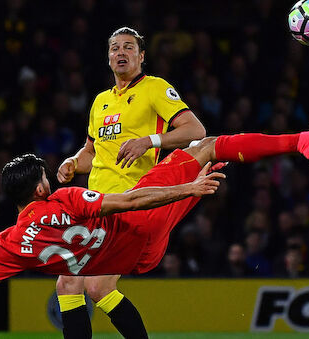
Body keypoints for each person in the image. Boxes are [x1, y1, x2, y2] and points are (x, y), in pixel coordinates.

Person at [0, 114, 309, 339]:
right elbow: (131, 199)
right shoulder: (65, 201)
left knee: (74, 285)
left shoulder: (8, 245)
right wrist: (186, 192)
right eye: (46, 177)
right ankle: (303, 141)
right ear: (38, 190)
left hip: (132, 260)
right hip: (141, 225)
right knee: (207, 148)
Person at [55, 27, 206, 339]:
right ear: (108, 58)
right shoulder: (100, 101)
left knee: (83, 283)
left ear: (141, 56)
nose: (120, 53)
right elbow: (91, 153)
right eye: (114, 48)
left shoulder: (154, 89)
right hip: (94, 203)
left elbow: (196, 131)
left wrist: (148, 141)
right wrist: (72, 163)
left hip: (131, 202)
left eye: (128, 47)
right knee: (84, 284)